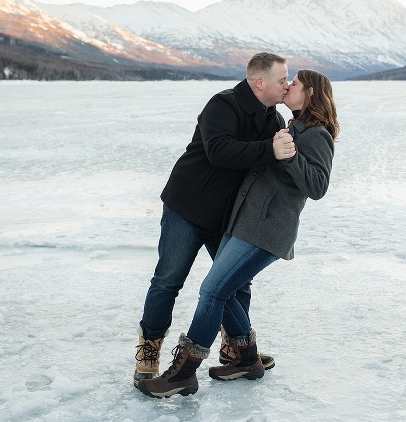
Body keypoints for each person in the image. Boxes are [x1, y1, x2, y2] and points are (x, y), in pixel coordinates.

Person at [137, 69, 340, 398]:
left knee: (213, 292)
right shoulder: (280, 123)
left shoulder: (316, 134)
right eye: (285, 80)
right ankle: (246, 359)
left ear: (312, 94)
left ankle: (184, 372)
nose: (288, 86)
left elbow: (317, 186)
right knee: (222, 290)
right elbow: (226, 152)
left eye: (296, 83)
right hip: (236, 220)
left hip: (265, 229)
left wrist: (288, 157)